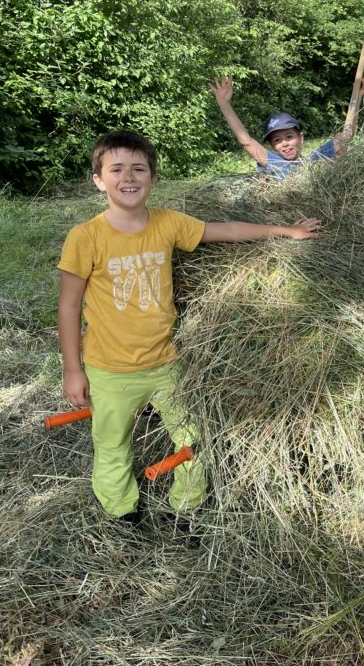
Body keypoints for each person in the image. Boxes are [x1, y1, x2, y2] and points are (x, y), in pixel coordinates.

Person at [58, 131, 322, 532]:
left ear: (153, 178)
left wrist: (285, 231)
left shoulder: (168, 224)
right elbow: (69, 305)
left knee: (192, 439)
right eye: (116, 169)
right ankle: (121, 511)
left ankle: (187, 506)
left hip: (166, 364)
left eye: (138, 168)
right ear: (98, 179)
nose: (128, 177)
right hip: (109, 370)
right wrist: (73, 370)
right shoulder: (85, 237)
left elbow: (227, 229)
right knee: (112, 444)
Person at [210, 75, 364, 178]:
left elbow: (346, 135)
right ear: (272, 146)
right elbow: (247, 141)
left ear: (301, 138)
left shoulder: (314, 159)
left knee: (341, 147)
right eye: (277, 140)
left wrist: (358, 97)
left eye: (289, 136)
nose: (284, 143)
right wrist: (224, 104)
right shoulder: (274, 163)